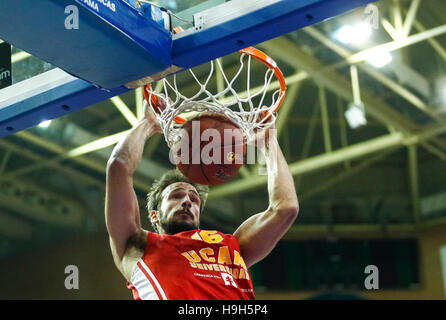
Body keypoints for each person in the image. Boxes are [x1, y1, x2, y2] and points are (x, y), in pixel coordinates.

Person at [105, 97, 299, 300]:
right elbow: (118, 166)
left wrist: (269, 142)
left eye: (194, 199)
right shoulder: (137, 245)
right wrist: (148, 123)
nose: (187, 201)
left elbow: (285, 209)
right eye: (176, 196)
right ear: (154, 216)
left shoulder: (231, 246)